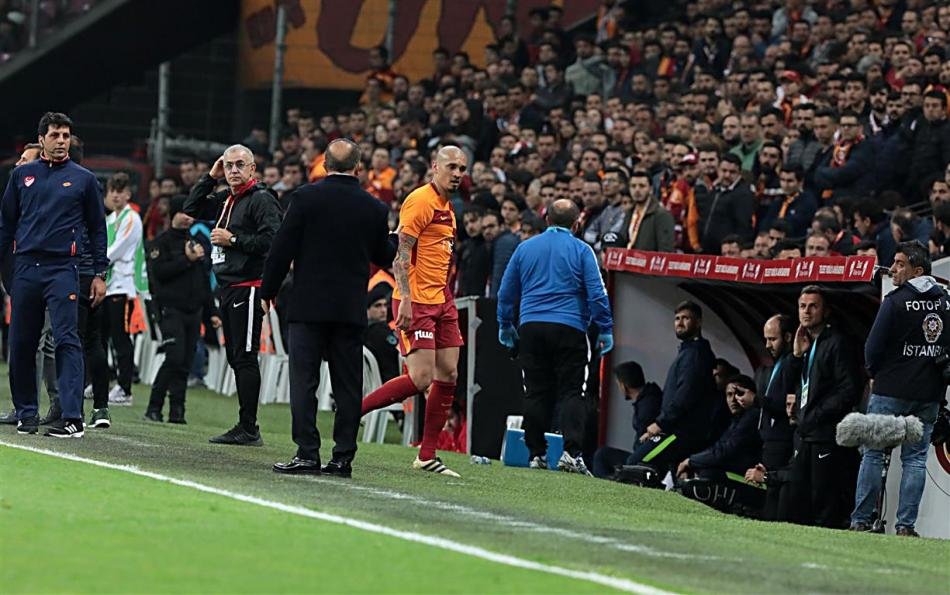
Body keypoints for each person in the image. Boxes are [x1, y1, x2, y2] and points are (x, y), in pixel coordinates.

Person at [263, 139, 396, 477]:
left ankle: (307, 453)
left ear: (324, 164)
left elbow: (282, 248)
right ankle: (342, 458)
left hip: (308, 305)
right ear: (359, 167)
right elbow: (383, 255)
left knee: (304, 381)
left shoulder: (305, 198)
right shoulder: (374, 207)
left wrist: (268, 290)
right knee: (348, 385)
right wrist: (396, 239)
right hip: (350, 308)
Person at [360, 145, 468, 477]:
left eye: (462, 169)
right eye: (451, 167)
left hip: (442, 299)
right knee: (421, 378)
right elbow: (401, 253)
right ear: (435, 166)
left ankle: (427, 454)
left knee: (449, 374)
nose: (457, 174)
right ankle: (353, 411)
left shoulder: (448, 206)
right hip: (416, 300)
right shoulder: (420, 200)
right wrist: (404, 298)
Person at [0, 112, 108, 437]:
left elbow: (97, 228)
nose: (62, 141)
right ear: (42, 139)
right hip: (26, 267)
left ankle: (72, 417)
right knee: (21, 342)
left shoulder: (84, 179)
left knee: (66, 339)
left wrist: (99, 272)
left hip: (63, 268)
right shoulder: (22, 176)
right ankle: (26, 413)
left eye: (66, 136)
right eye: (55, 135)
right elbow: (6, 224)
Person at [496, 199, 614, 475]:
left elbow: (506, 291)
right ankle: (571, 454)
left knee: (536, 390)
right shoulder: (582, 250)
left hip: (531, 326)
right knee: (573, 391)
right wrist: (605, 328)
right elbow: (597, 292)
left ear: (546, 220)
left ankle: (536, 454)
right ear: (577, 224)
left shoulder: (525, 248)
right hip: (570, 327)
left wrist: (505, 324)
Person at [184, 144, 282, 446]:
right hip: (228, 285)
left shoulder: (261, 199)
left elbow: (273, 240)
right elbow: (191, 209)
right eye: (229, 165)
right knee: (236, 356)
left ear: (253, 168)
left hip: (249, 285)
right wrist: (210, 177)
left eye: (240, 164)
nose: (234, 170)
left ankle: (249, 427)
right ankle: (245, 425)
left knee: (245, 355)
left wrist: (234, 240)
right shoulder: (227, 197)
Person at [851, 241, 950, 537]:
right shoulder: (946, 303)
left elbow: (872, 349)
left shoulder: (895, 301)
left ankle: (861, 520)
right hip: (928, 394)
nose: (893, 269)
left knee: (872, 454)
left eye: (899, 263)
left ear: (917, 271)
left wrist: (876, 373)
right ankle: (906, 526)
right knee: (915, 460)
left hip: (890, 391)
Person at [788, 285, 861, 528]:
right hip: (806, 433)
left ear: (826, 311)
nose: (806, 311)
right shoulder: (808, 345)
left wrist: (816, 415)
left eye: (813, 306)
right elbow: (791, 385)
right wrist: (796, 356)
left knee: (824, 500)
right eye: (802, 306)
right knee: (799, 500)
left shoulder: (837, 342)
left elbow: (849, 390)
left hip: (826, 434)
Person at [145, 196, 220, 423]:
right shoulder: (161, 243)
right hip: (170, 309)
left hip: (193, 311)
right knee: (174, 358)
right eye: (184, 213)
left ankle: (177, 412)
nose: (188, 218)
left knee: (186, 362)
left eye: (191, 214)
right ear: (173, 214)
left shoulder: (196, 243)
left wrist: (212, 312)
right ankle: (154, 407)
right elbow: (159, 274)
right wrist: (186, 260)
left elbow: (203, 280)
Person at [628, 301, 718, 475]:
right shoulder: (688, 351)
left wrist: (660, 423)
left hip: (679, 431)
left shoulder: (695, 354)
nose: (680, 323)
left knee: (636, 464)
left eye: (686, 318)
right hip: (677, 429)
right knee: (667, 475)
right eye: (677, 318)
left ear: (698, 322)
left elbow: (685, 395)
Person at [103, 172, 143, 407]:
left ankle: (125, 388)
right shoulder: (110, 220)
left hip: (123, 284)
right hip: (107, 284)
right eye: (112, 191)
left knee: (120, 338)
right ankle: (100, 381)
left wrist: (96, 263)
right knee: (102, 336)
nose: (116, 196)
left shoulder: (132, 218)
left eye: (120, 191)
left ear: (128, 194)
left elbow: (117, 249)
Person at [754, 314, 796, 520]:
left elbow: (782, 403)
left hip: (782, 440)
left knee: (775, 501)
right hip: (770, 440)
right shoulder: (775, 365)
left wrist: (756, 400)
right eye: (766, 339)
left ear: (788, 337)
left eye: (772, 339)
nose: (767, 345)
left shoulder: (790, 364)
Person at [591, 361, 662, 478]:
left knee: (601, 455)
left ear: (624, 386)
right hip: (641, 457)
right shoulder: (650, 398)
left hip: (644, 462)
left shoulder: (647, 407)